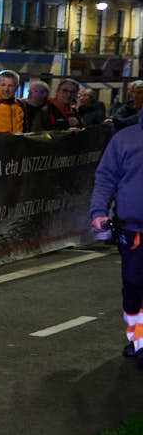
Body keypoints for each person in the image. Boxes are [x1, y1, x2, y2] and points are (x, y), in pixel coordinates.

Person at [89, 114, 143, 359]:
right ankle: (137, 337)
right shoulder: (125, 139)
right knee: (133, 285)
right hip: (134, 230)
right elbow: (106, 177)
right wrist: (99, 211)